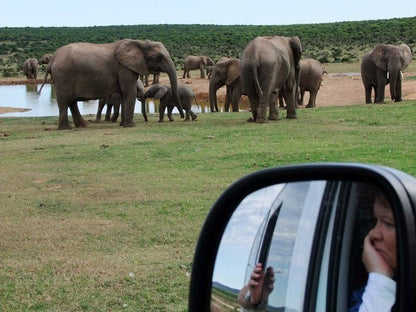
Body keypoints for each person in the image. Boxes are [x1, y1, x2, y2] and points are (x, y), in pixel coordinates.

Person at [349, 190, 396, 312]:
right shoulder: (364, 294)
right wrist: (380, 278)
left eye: (388, 223)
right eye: (375, 222)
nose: (372, 233)